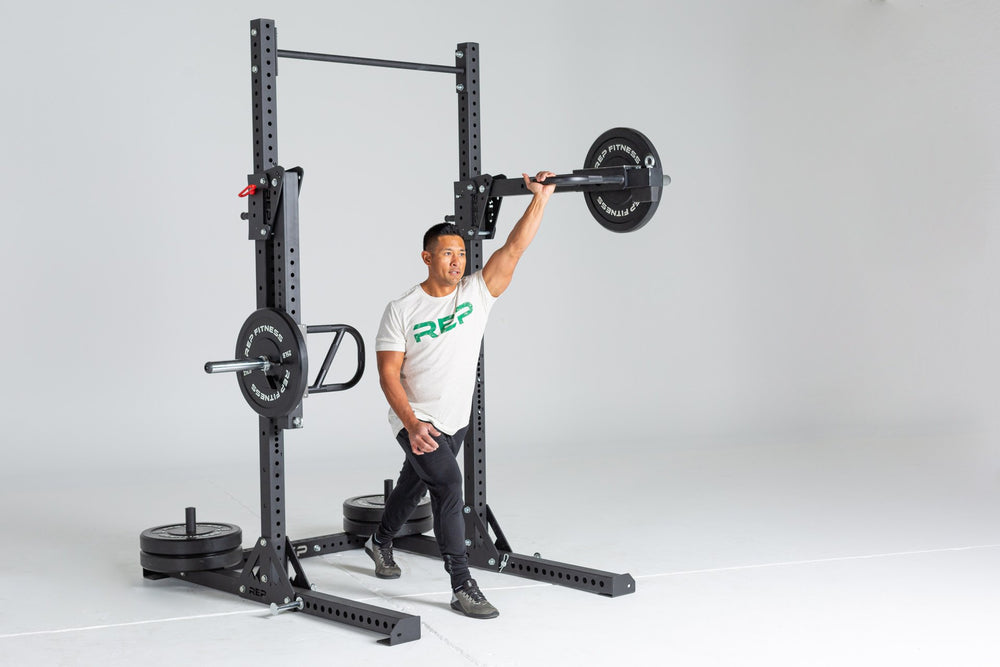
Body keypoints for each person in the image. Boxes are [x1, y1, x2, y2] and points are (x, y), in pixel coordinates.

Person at [369, 170, 557, 619]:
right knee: (449, 486)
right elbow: (388, 375)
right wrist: (412, 423)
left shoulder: (477, 293)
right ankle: (462, 584)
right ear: (427, 257)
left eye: (462, 254)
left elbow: (514, 248)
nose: (457, 261)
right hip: (416, 420)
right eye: (447, 253)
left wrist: (541, 198)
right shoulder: (401, 309)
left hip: (455, 419)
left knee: (414, 483)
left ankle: (379, 540)